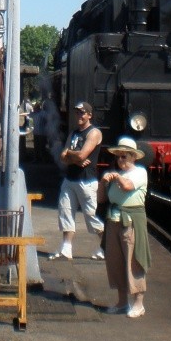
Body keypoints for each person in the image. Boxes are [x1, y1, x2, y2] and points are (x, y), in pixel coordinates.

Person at [98, 136, 150, 318]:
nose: (120, 160)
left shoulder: (139, 172)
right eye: (118, 157)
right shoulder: (115, 175)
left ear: (133, 157)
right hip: (113, 219)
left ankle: (139, 304)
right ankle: (121, 302)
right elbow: (101, 199)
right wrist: (103, 183)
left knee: (134, 260)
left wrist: (117, 177)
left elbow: (128, 186)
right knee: (116, 260)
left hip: (131, 220)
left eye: (124, 157)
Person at [49, 101, 105, 261]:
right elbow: (63, 156)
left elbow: (81, 155)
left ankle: (106, 246)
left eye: (82, 113)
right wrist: (75, 157)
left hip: (86, 180)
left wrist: (72, 156)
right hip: (70, 178)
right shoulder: (74, 133)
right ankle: (66, 249)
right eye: (77, 113)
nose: (79, 116)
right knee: (65, 211)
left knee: (91, 216)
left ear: (89, 115)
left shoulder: (94, 133)